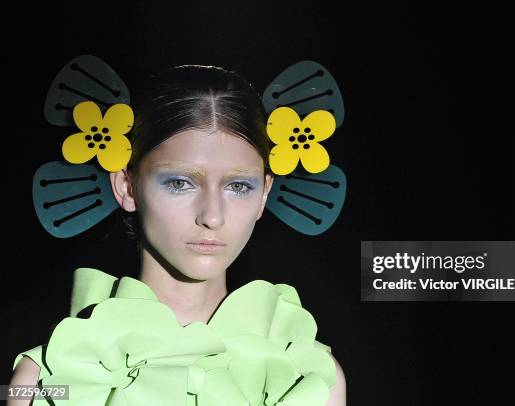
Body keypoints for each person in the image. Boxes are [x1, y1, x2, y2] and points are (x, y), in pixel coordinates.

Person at [9, 65, 346, 405]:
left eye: (239, 186)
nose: (212, 216)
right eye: (179, 183)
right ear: (125, 185)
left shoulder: (312, 377)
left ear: (264, 194)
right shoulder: (37, 381)